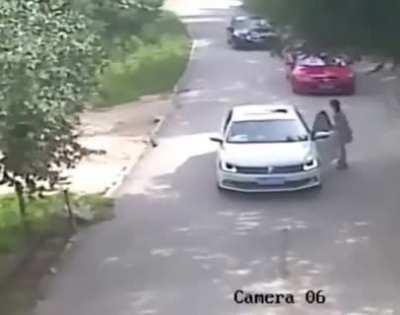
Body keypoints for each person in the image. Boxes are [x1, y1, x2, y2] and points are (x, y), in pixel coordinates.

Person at [329, 99, 353, 169]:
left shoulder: (338, 114)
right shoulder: (339, 113)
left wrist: (332, 127)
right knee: (341, 148)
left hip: (342, 133)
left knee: (341, 148)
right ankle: (342, 161)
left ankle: (343, 163)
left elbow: (340, 125)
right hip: (342, 132)